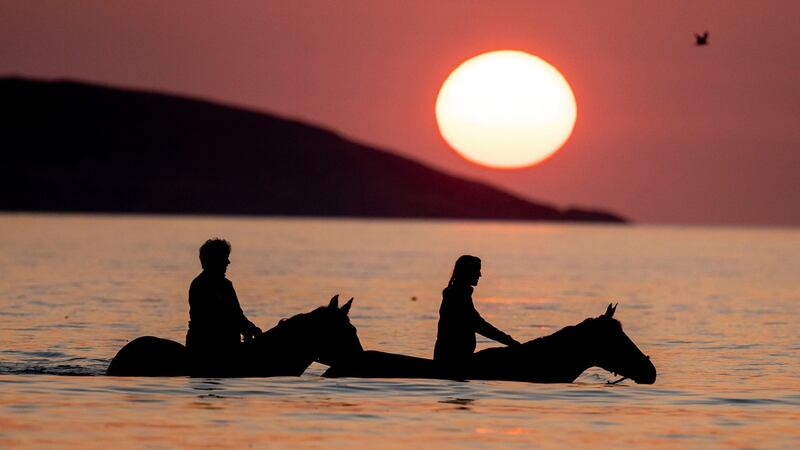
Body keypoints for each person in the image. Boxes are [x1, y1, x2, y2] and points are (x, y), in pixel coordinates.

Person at [433, 255, 519, 376]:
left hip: (458, 359)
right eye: (477, 270)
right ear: (467, 272)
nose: (480, 275)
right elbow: (478, 324)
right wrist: (510, 342)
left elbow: (476, 322)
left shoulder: (458, 293)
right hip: (454, 361)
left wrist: (509, 341)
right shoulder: (456, 295)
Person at [185, 238, 262, 361]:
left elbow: (237, 315)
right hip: (207, 350)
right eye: (225, 258)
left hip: (230, 347)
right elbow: (224, 316)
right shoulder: (201, 285)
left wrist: (251, 329)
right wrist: (247, 329)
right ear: (214, 260)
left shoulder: (227, 285)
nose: (228, 262)